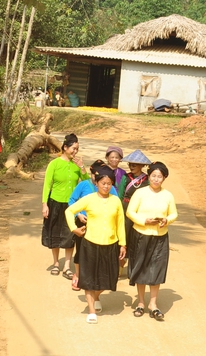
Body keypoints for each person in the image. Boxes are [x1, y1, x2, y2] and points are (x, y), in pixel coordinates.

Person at [65, 166, 127, 324]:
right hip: (90, 244)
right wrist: (74, 229)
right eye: (103, 183)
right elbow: (69, 211)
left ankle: (96, 296)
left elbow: (120, 223)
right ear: (97, 183)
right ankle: (91, 310)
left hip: (111, 244)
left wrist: (123, 244)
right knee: (89, 278)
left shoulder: (116, 201)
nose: (106, 186)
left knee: (111, 278)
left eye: (109, 183)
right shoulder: (89, 198)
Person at [126, 161, 177, 321]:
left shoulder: (168, 195)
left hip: (160, 237)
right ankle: (141, 303)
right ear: (149, 177)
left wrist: (166, 220)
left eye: (159, 177)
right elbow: (130, 212)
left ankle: (153, 305)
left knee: (157, 269)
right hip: (140, 235)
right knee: (141, 268)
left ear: (164, 178)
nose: (156, 179)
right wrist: (144, 220)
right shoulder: (140, 193)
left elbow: (174, 214)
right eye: (153, 176)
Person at [68, 159, 118, 291]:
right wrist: (78, 214)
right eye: (95, 174)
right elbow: (72, 200)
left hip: (102, 226)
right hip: (83, 223)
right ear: (91, 173)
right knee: (80, 251)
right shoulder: (83, 184)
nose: (97, 178)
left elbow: (116, 207)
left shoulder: (110, 188)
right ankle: (78, 275)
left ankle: (96, 278)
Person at [42, 133, 87, 279]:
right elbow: (47, 185)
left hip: (71, 206)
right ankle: (56, 263)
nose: (75, 151)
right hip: (55, 203)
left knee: (70, 235)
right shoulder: (54, 164)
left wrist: (83, 170)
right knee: (54, 233)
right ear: (65, 147)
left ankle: (67, 266)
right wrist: (45, 204)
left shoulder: (76, 166)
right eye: (73, 148)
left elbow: (87, 184)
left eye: (77, 149)